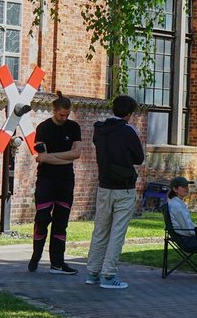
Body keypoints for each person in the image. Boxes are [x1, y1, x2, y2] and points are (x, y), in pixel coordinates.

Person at [88, 94, 145, 289]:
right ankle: (108, 275)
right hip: (124, 188)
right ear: (129, 113)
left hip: (104, 185)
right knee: (117, 232)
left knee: (100, 230)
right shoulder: (128, 131)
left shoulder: (100, 129)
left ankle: (92, 272)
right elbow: (139, 158)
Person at [29, 92, 82, 275]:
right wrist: (62, 157)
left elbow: (76, 153)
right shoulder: (43, 128)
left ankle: (57, 263)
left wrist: (50, 157)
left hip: (66, 180)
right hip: (46, 180)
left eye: (67, 115)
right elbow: (41, 158)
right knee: (43, 218)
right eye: (61, 115)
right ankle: (36, 255)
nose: (64, 118)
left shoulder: (74, 127)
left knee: (61, 222)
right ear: (54, 110)